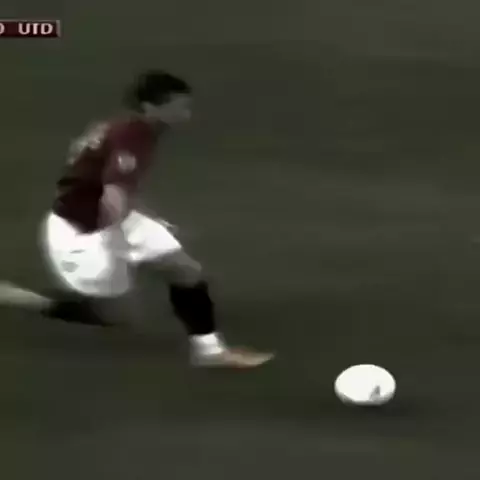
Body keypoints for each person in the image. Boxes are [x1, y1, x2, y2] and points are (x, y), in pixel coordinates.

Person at [3, 69, 273, 368]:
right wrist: (118, 244)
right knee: (114, 316)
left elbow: (111, 185)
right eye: (179, 107)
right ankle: (18, 297)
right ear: (150, 107)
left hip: (111, 215)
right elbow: (113, 194)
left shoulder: (126, 128)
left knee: (185, 270)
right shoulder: (132, 136)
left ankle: (210, 351)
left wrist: (150, 220)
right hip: (82, 229)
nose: (186, 115)